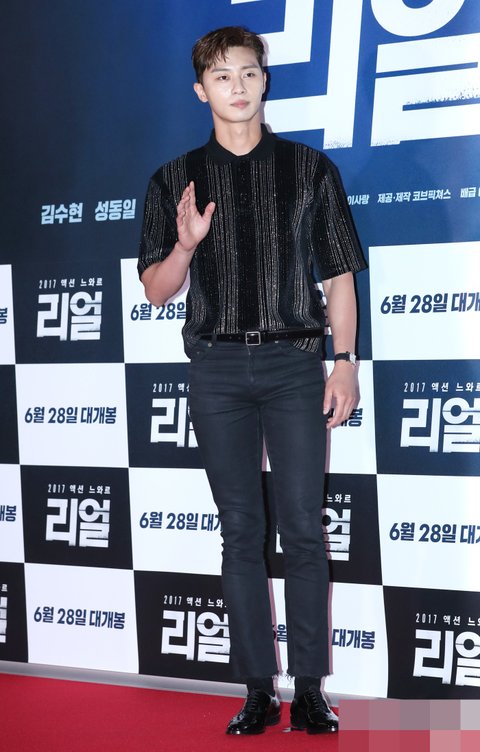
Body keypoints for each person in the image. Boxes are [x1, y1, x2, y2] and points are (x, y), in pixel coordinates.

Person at [138, 26, 366, 735]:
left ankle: (310, 690)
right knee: (239, 530)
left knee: (302, 527)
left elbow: (339, 275)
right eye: (222, 75)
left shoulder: (310, 169)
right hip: (215, 368)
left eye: (248, 72)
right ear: (200, 89)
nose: (237, 86)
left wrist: (345, 361)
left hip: (294, 364)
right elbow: (155, 289)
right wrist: (184, 246)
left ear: (265, 81)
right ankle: (256, 690)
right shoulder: (173, 180)